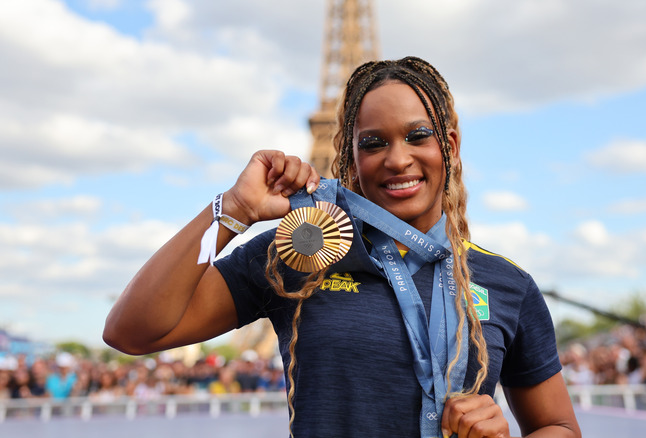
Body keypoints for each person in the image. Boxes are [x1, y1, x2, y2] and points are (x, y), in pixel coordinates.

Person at [104, 56, 581, 437]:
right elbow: (132, 331)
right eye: (373, 143)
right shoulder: (295, 254)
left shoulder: (508, 284)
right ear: (349, 158)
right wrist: (234, 209)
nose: (398, 159)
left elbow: (557, 426)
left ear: (449, 146)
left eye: (418, 136)